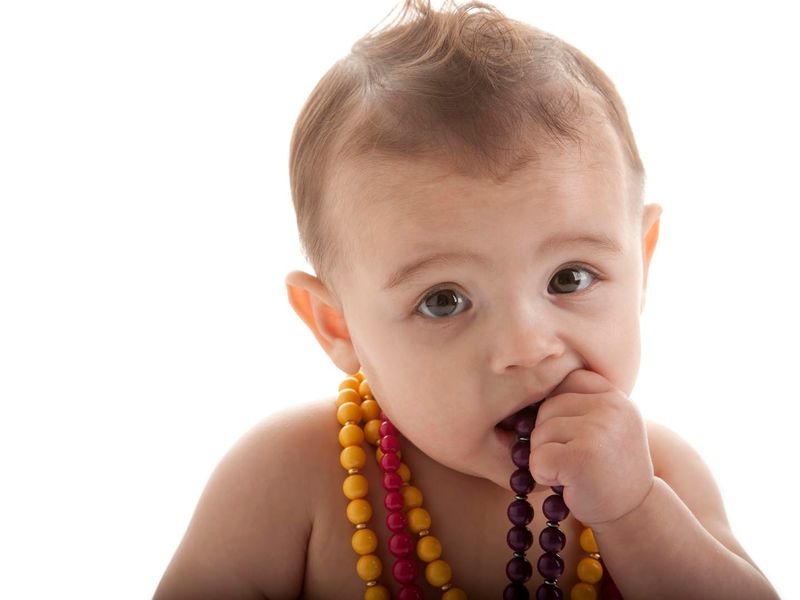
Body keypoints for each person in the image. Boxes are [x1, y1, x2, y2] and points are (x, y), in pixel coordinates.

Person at [154, 1, 779, 598]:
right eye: (444, 300)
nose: (527, 348)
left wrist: (634, 512)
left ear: (640, 264)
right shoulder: (289, 478)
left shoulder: (659, 474)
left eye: (570, 278)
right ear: (336, 324)